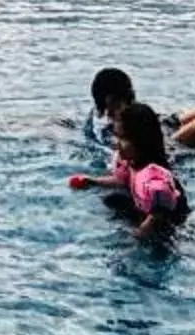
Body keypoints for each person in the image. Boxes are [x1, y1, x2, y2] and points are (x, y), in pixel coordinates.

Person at [68, 99, 186, 237]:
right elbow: (121, 180)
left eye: (123, 138)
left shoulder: (153, 173)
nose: (117, 144)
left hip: (166, 221)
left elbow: (160, 206)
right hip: (146, 207)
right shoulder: (133, 163)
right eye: (116, 137)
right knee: (112, 200)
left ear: (141, 140)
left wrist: (140, 233)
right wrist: (92, 181)